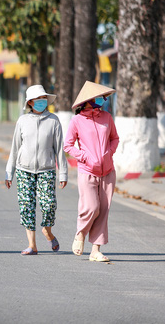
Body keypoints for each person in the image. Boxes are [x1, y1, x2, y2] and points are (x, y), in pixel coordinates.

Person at [5, 85, 68, 255]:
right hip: (23, 170)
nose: (42, 102)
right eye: (38, 99)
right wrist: (9, 172)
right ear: (30, 102)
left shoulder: (53, 121)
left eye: (43, 99)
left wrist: (63, 173)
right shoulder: (22, 121)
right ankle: (32, 245)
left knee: (49, 205)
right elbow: (15, 148)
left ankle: (47, 231)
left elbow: (59, 150)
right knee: (26, 206)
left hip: (46, 169)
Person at [64, 81, 119, 263]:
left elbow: (115, 139)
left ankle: (95, 250)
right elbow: (68, 145)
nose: (102, 100)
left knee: (103, 210)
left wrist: (109, 153)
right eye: (99, 98)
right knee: (92, 207)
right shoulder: (77, 121)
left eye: (103, 97)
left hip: (108, 171)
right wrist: (85, 157)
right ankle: (80, 234)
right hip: (87, 170)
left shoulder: (107, 117)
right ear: (88, 100)